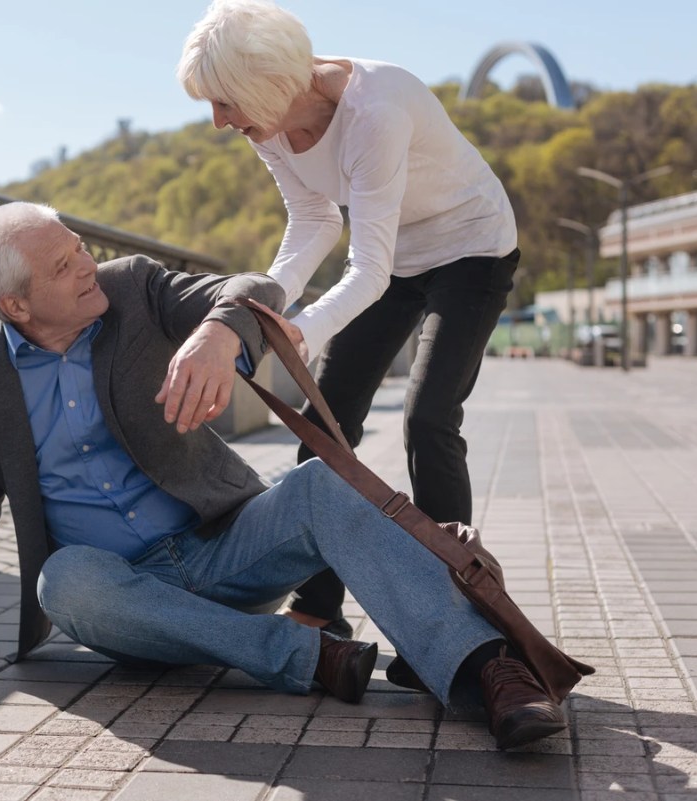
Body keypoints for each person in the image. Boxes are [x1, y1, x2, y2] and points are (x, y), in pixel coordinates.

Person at [0, 201, 566, 750]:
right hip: (123, 596)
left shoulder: (132, 287)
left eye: (78, 247)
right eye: (62, 267)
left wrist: (218, 332)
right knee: (63, 579)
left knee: (317, 486)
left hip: (226, 544)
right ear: (16, 304)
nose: (85, 266)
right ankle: (309, 657)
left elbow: (254, 288)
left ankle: (486, 670)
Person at [177, 0, 521, 653]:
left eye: (225, 103)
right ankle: (318, 607)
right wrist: (268, 305)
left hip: (471, 247)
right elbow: (315, 222)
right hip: (396, 258)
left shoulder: (376, 108)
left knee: (429, 420)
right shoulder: (270, 124)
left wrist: (302, 329)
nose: (220, 122)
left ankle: (459, 616)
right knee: (326, 426)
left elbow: (368, 268)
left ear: (267, 84)